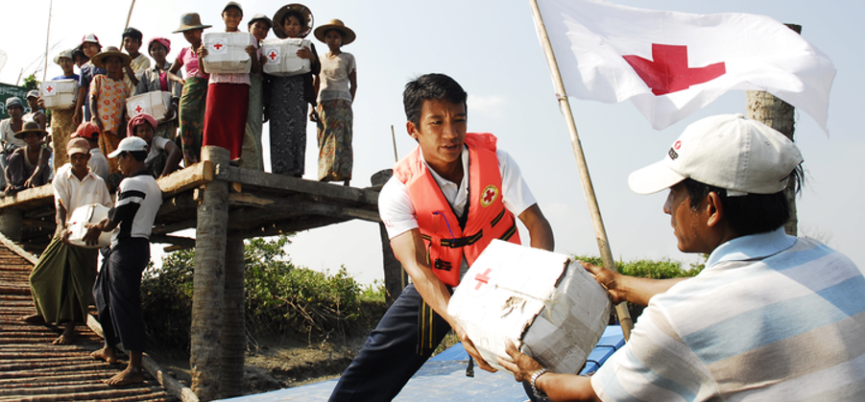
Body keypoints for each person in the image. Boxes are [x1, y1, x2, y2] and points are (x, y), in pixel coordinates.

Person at [498, 114, 865, 402]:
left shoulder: (681, 317)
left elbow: (593, 395)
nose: (666, 207)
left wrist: (534, 374)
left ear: (710, 207)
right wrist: (622, 285)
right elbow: (719, 293)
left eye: (674, 193)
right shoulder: (834, 265)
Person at [327, 73, 555, 402]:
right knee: (377, 360)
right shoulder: (397, 191)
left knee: (544, 357)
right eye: (436, 123)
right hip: (438, 281)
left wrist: (534, 292)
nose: (451, 133)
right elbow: (417, 267)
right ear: (413, 130)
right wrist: (461, 325)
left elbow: (537, 225)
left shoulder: (498, 162)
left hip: (502, 280)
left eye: (459, 120)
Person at [84, 136, 162, 387]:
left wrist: (97, 227)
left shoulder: (131, 183)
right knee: (101, 294)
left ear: (129, 157)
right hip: (129, 247)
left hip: (128, 248)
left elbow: (116, 218)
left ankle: (135, 366)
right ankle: (110, 347)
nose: (119, 163)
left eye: (121, 157)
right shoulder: (150, 183)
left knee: (124, 304)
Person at [25, 138, 112, 345]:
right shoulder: (62, 176)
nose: (78, 161)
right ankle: (46, 312)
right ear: (68, 157)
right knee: (40, 274)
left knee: (77, 284)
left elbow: (107, 209)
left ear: (88, 158)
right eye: (74, 157)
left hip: (87, 236)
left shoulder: (98, 182)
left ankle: (70, 329)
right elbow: (60, 205)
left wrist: (100, 231)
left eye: (82, 157)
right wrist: (62, 227)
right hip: (66, 230)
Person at [198, 1, 260, 163]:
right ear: (222, 16)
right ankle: (210, 161)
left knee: (235, 125)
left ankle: (233, 161)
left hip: (239, 87)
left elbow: (254, 69)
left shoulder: (248, 38)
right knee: (213, 123)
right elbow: (204, 70)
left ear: (241, 19)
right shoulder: (211, 39)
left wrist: (253, 54)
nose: (232, 18)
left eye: (236, 15)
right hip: (217, 84)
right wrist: (200, 56)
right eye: (229, 14)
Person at [264, 3, 320, 177]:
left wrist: (310, 57)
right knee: (278, 130)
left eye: (296, 24)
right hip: (277, 92)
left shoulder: (307, 45)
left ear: (302, 27)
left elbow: (317, 70)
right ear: (282, 26)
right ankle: (279, 170)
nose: (292, 27)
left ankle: (296, 170)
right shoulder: (272, 46)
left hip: (298, 92)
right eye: (288, 23)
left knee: (297, 129)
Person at [312, 19, 358, 186]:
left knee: (342, 138)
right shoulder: (319, 58)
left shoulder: (347, 58)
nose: (332, 40)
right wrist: (312, 105)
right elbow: (316, 82)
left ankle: (345, 177)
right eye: (329, 36)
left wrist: (348, 102)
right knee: (324, 138)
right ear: (325, 39)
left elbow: (354, 84)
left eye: (335, 37)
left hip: (342, 101)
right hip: (323, 102)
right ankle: (325, 175)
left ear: (341, 40)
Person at [169, 13, 211, 166]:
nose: (189, 34)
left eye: (193, 31)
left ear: (201, 31)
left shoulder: (210, 47)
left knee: (204, 127)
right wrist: (180, 80)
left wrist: (202, 56)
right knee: (186, 128)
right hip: (188, 92)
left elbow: (208, 71)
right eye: (186, 32)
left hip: (206, 90)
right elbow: (170, 72)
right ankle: (190, 164)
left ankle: (204, 163)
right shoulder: (184, 52)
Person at [89, 46, 134, 174]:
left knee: (117, 157)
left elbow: (127, 107)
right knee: (103, 157)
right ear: (105, 64)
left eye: (117, 61)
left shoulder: (123, 85)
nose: (114, 64)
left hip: (118, 128)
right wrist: (95, 117)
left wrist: (124, 124)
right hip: (102, 126)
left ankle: (115, 181)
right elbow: (93, 98)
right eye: (110, 61)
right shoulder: (98, 80)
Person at [133, 37, 183, 141]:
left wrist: (173, 106)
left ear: (166, 51)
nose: (157, 52)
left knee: (169, 142)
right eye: (153, 49)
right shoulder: (147, 73)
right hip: (153, 118)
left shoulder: (173, 68)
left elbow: (177, 88)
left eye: (160, 48)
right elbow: (139, 94)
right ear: (150, 53)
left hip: (170, 114)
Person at [242, 14, 271, 171]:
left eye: (264, 28)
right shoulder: (239, 42)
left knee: (253, 124)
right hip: (238, 84)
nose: (261, 30)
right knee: (241, 124)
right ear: (249, 27)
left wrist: (265, 65)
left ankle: (255, 167)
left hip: (256, 86)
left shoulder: (266, 50)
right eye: (257, 26)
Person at [127, 113, 182, 178]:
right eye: (141, 131)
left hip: (160, 175)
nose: (145, 133)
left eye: (147, 130)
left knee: (162, 157)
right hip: (145, 178)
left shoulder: (155, 141)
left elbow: (174, 150)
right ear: (135, 135)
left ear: (153, 131)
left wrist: (163, 176)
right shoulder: (134, 149)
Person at [4, 121, 53, 194]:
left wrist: (32, 178)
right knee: (14, 157)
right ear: (24, 139)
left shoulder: (45, 152)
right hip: (23, 178)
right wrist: (9, 183)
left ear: (38, 137)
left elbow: (40, 166)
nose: (30, 139)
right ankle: (18, 185)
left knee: (45, 167)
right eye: (27, 136)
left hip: (37, 179)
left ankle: (34, 185)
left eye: (32, 136)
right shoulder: (20, 151)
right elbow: (8, 169)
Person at [0, 97, 27, 191]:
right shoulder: (4, 123)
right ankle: (3, 186)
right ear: (8, 111)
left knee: (16, 157)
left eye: (16, 108)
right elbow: (0, 140)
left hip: (22, 151)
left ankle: (18, 183)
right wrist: (1, 150)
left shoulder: (26, 124)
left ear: (21, 109)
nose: (13, 111)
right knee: (0, 158)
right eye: (10, 108)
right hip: (9, 150)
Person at [73, 34, 105, 125]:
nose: (88, 49)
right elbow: (82, 90)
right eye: (85, 47)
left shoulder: (106, 61)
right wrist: (77, 109)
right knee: (92, 127)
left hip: (106, 98)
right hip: (90, 102)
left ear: (97, 46)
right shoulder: (84, 67)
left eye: (91, 46)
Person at [122, 27, 151, 94]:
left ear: (140, 44)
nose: (130, 44)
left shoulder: (144, 60)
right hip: (121, 98)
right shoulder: (120, 60)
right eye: (127, 41)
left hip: (135, 99)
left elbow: (137, 83)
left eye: (134, 41)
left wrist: (126, 64)